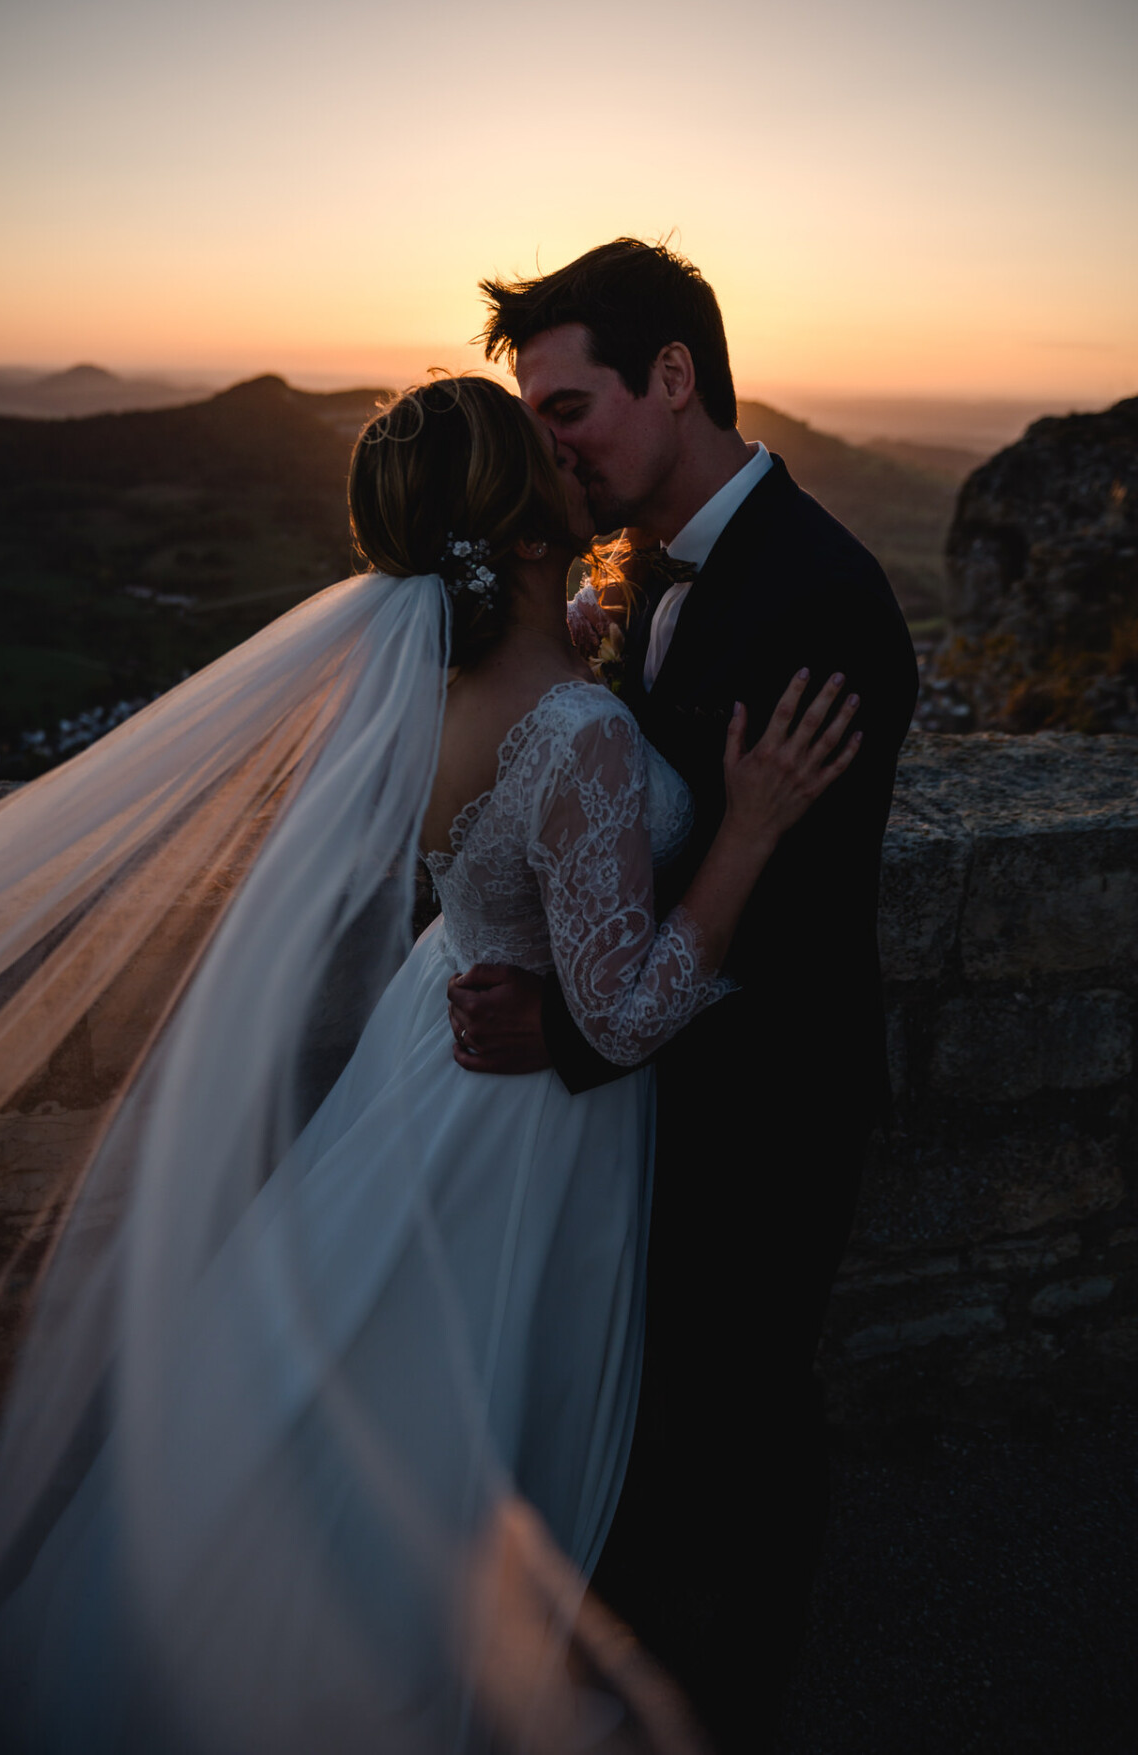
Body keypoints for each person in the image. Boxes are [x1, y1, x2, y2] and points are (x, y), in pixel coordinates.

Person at [0, 375, 858, 1754]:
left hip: (432, 1048)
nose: (575, 460)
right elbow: (622, 1014)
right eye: (549, 453)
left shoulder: (439, 685)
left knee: (361, 1388)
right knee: (462, 1419)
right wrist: (745, 835)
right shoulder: (578, 730)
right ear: (528, 531)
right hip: (529, 1117)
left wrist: (580, 640)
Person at [448, 242, 921, 1740]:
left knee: (748, 1417)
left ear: (672, 377)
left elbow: (785, 910)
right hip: (653, 1086)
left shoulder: (821, 595)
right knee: (649, 1420)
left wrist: (566, 1029)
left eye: (569, 410)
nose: (553, 451)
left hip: (767, 1099)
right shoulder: (641, 568)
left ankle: (739, 1707)